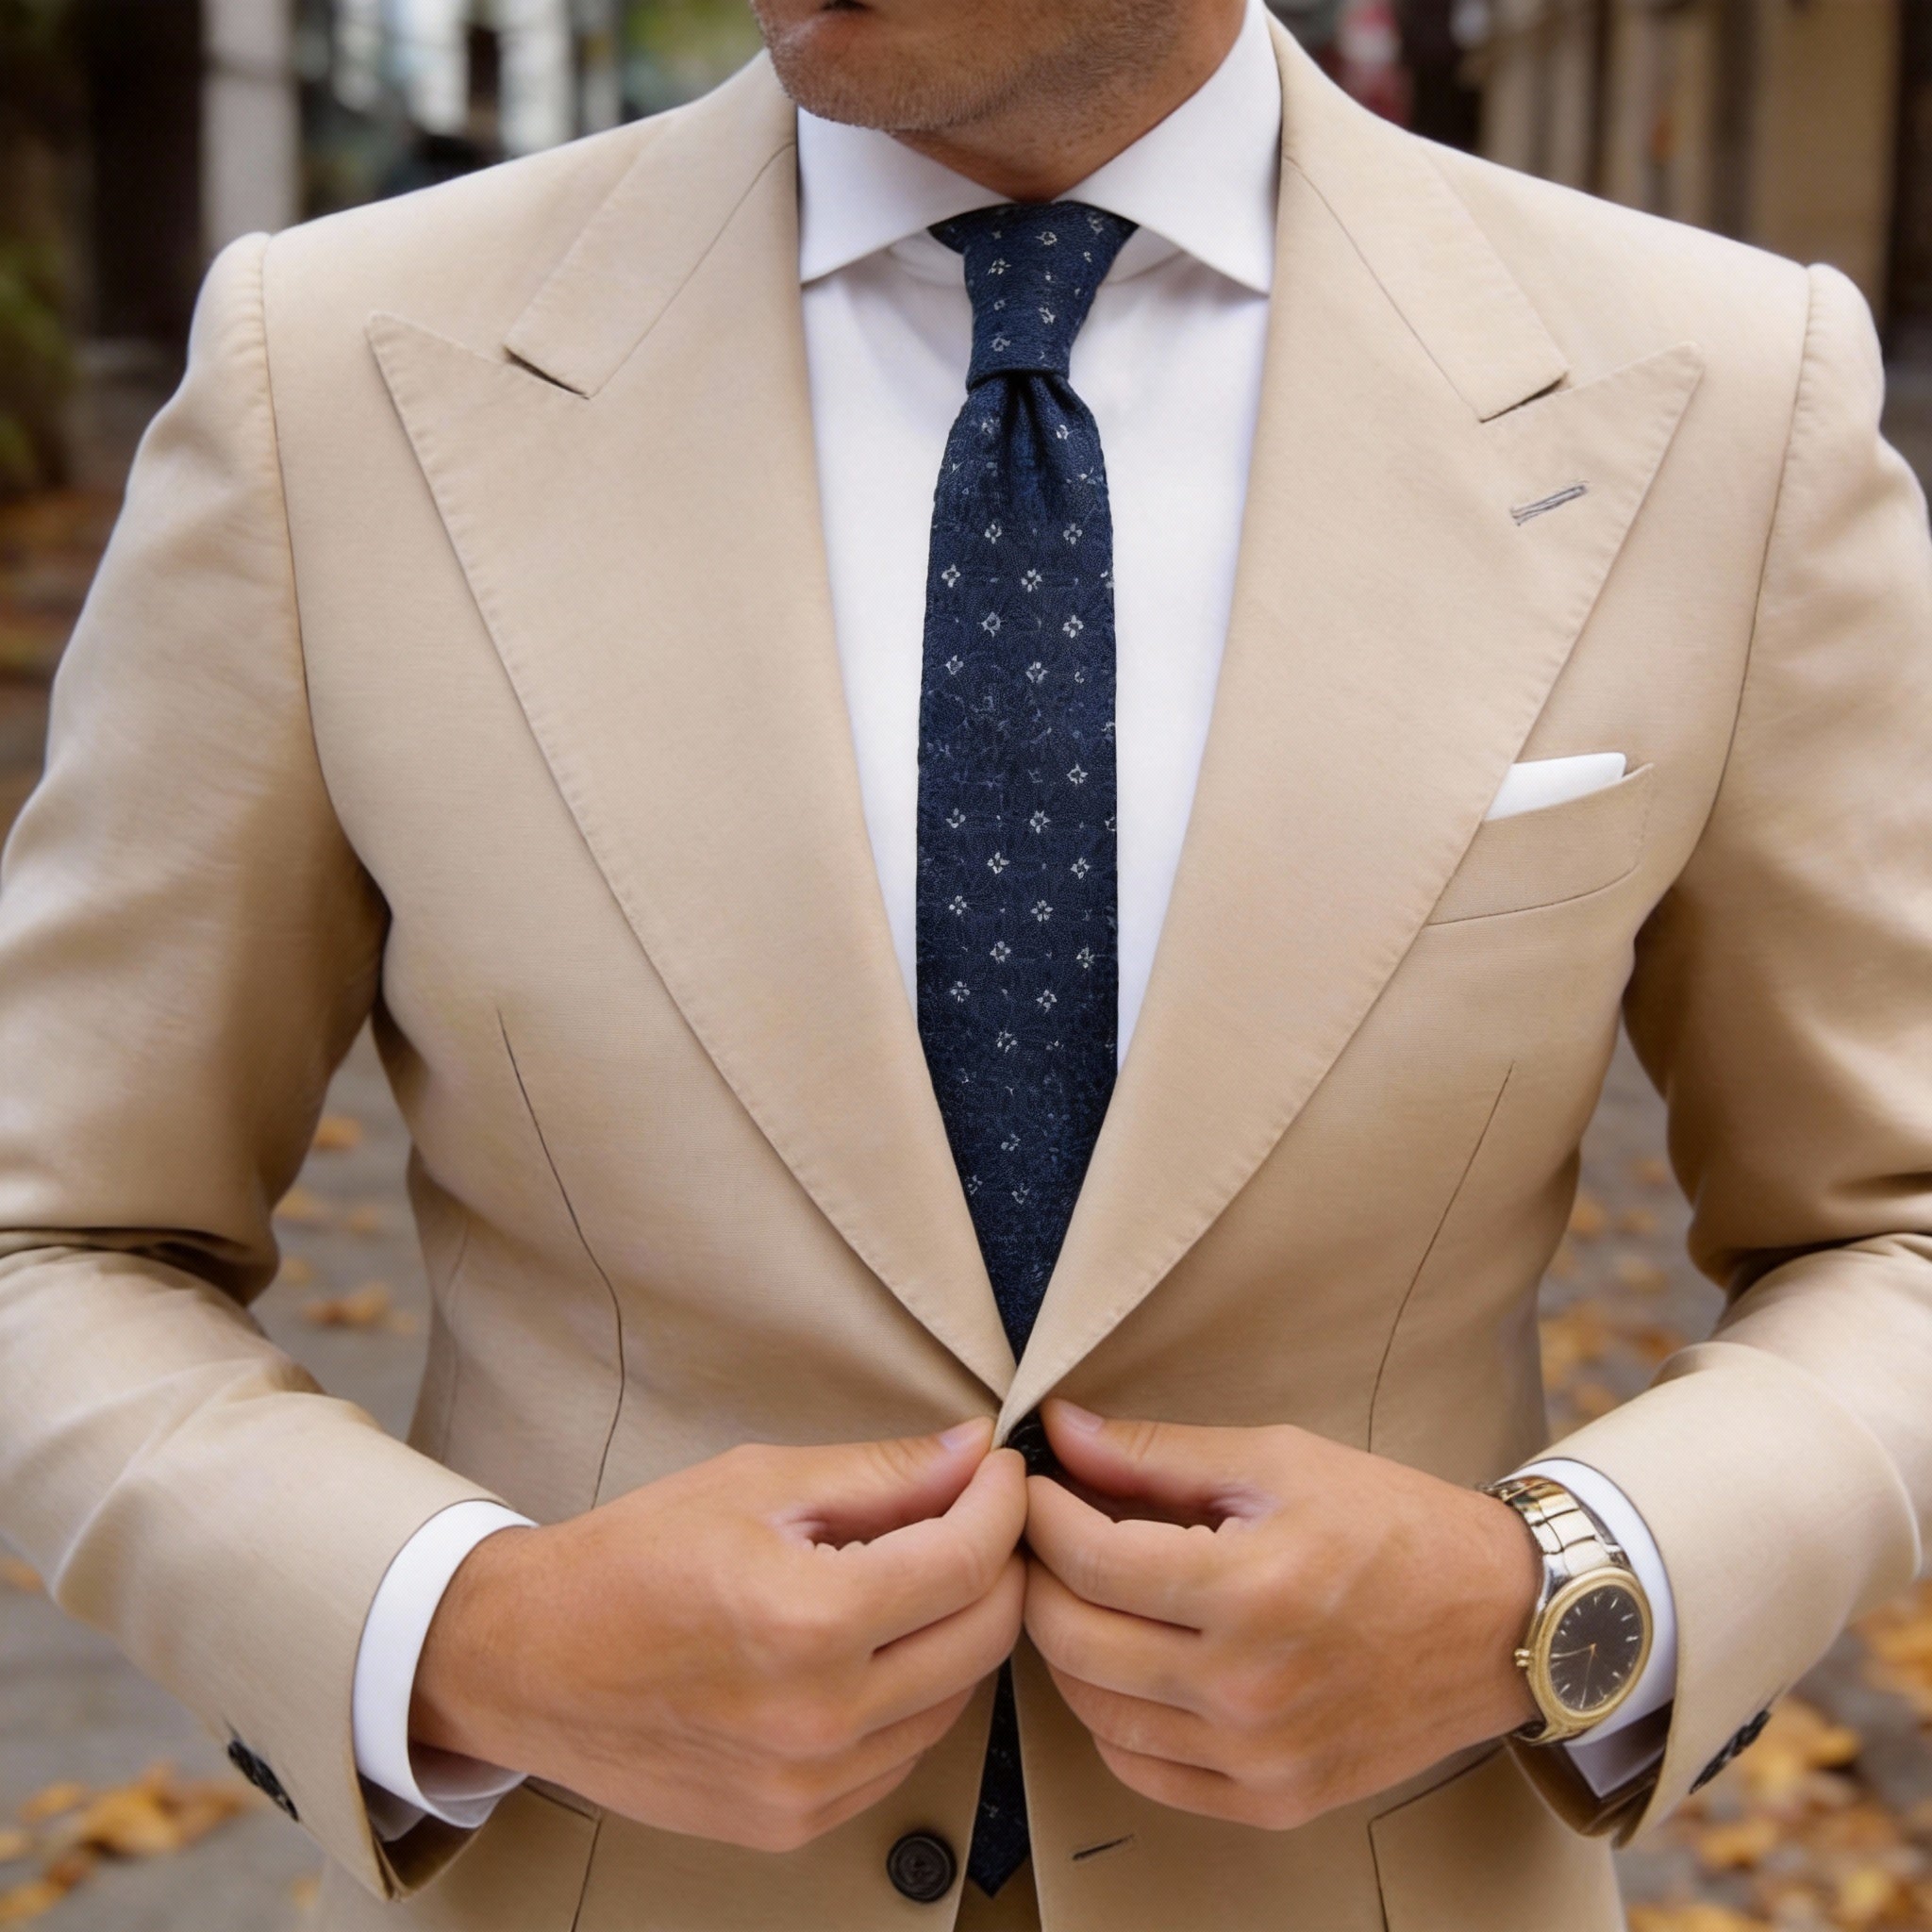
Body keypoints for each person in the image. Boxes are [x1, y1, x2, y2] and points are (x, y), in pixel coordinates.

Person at [1, 0, 1927, 1926]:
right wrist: (465, 1631)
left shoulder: (1721, 393)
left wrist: (1562, 1595)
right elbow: (55, 1228)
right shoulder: (331, 372)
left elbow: (1894, 1227)